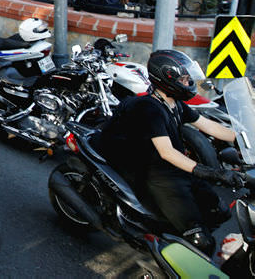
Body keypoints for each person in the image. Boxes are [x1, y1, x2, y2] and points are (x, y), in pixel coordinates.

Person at [97, 50, 239, 256]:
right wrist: (212, 173)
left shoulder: (175, 104)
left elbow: (209, 126)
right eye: (183, 79)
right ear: (166, 79)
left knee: (219, 212)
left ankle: (176, 233)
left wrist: (243, 138)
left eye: (188, 78)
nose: (188, 82)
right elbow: (167, 153)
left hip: (178, 170)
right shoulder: (149, 108)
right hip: (158, 175)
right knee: (201, 243)